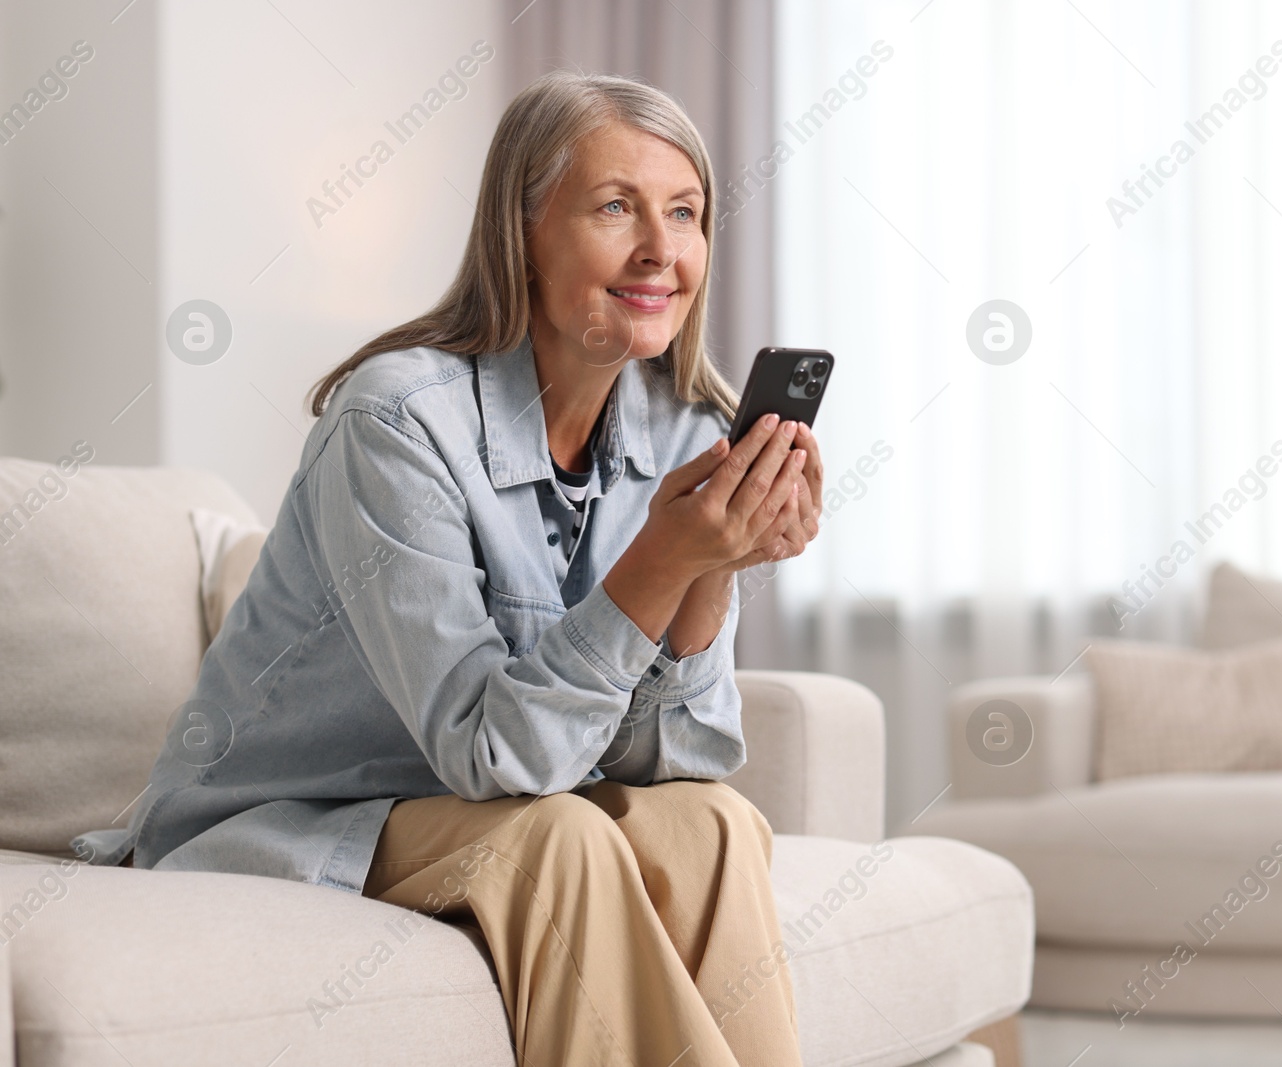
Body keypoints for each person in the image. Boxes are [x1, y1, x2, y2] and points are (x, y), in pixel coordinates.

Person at [71, 69, 823, 1066]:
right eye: (615, 206)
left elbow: (673, 760)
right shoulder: (395, 421)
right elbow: (492, 757)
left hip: (480, 802)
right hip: (296, 814)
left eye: (684, 213)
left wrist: (711, 566)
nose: (660, 249)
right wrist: (662, 557)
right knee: (565, 841)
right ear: (524, 229)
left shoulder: (679, 427)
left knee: (712, 822)